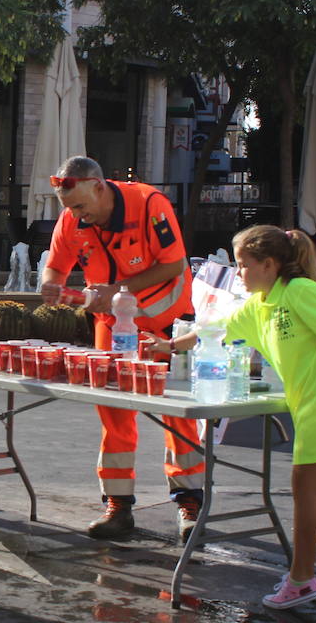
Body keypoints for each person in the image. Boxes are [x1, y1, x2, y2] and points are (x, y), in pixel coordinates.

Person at [152, 226, 316, 609]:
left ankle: (302, 580)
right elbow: (214, 329)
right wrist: (169, 345)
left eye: (243, 265)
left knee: (307, 490)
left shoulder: (300, 291)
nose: (237, 273)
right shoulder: (261, 304)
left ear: (269, 265)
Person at [40, 155, 204, 541]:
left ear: (99, 187)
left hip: (165, 320)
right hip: (112, 324)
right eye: (69, 209)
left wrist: (117, 290)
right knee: (112, 409)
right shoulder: (72, 217)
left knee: (177, 411)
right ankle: (117, 506)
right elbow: (56, 266)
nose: (77, 216)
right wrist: (50, 282)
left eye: (80, 206)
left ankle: (189, 502)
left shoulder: (149, 204)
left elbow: (173, 265)